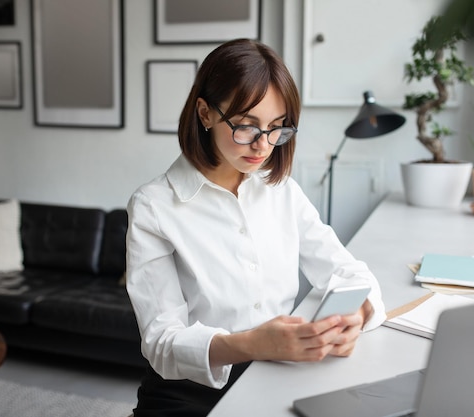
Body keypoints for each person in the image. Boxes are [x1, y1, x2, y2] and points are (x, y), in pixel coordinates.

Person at [125, 38, 387, 417]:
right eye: (247, 127)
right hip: (186, 396)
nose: (264, 145)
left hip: (273, 381)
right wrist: (251, 344)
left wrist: (357, 317)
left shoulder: (281, 192)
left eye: (277, 128)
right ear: (205, 114)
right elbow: (161, 342)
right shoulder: (154, 207)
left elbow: (347, 271)